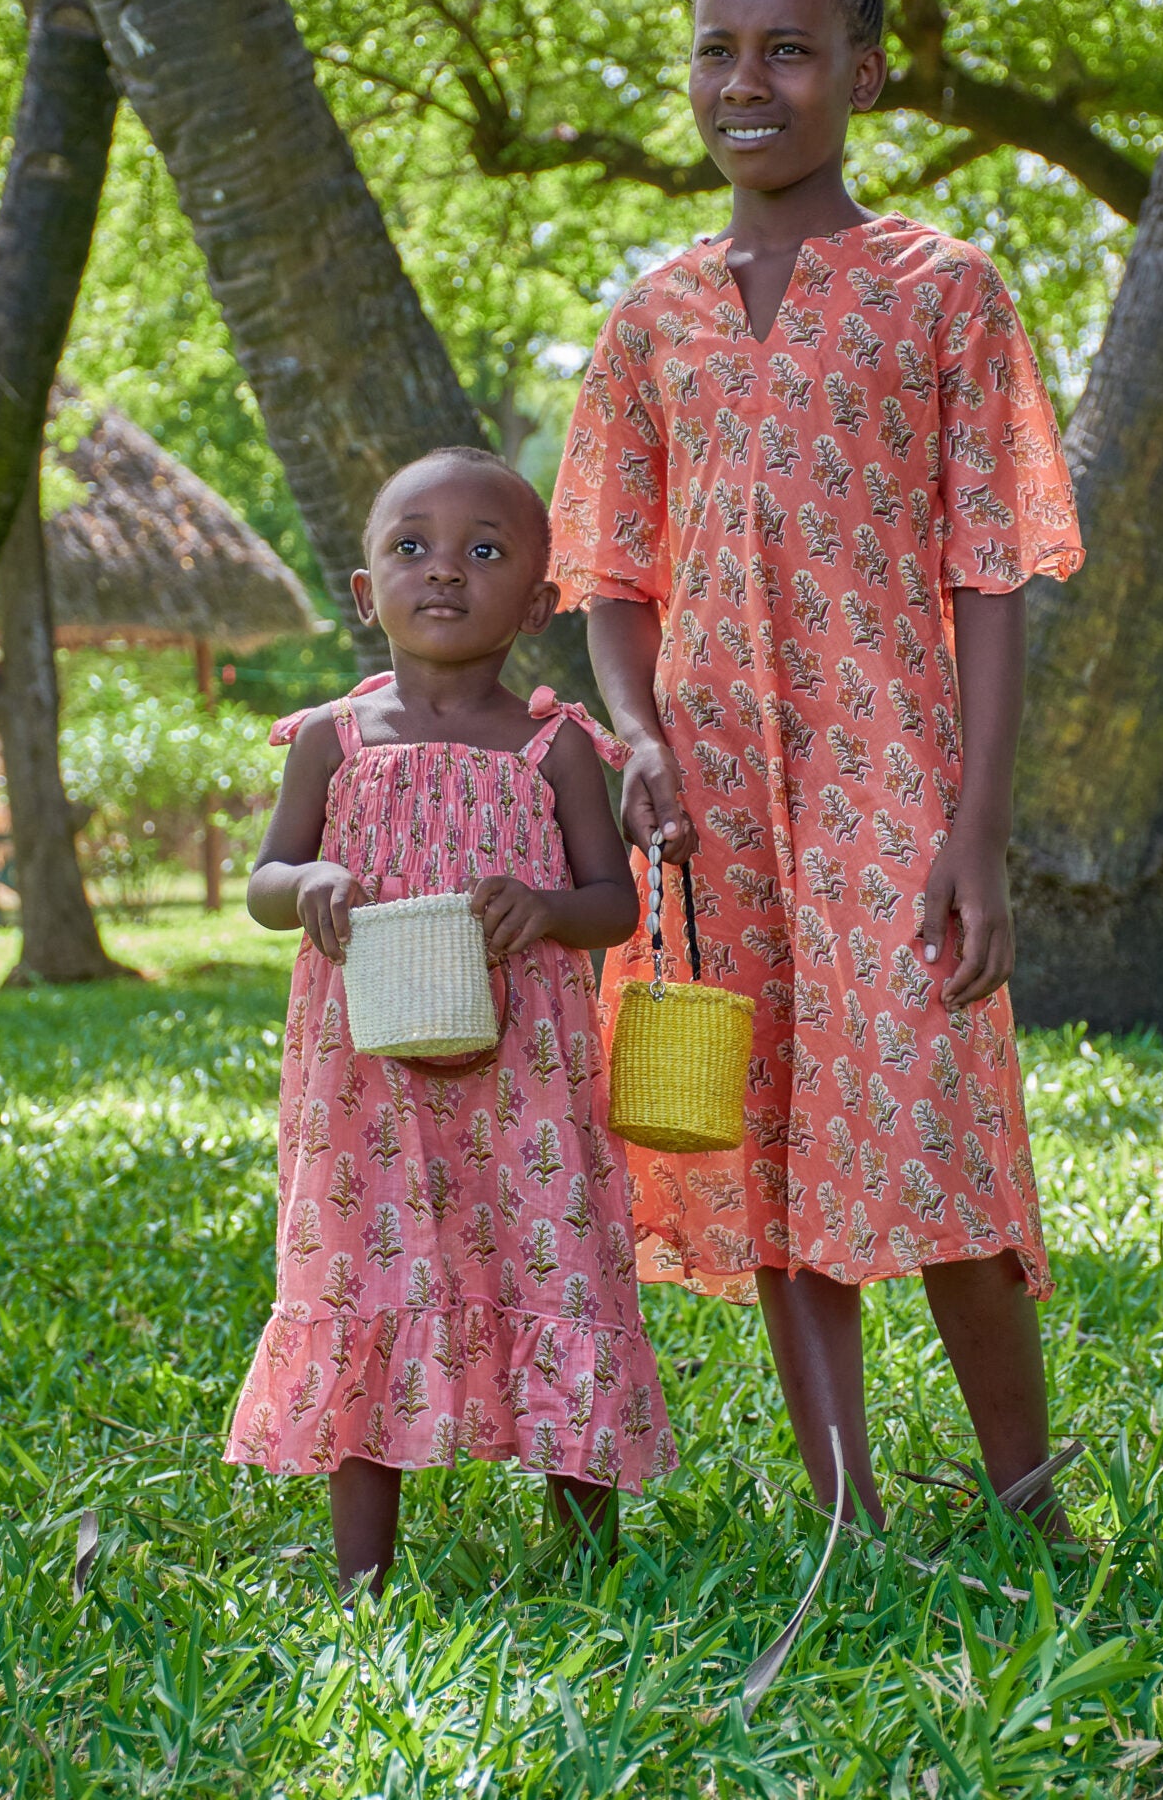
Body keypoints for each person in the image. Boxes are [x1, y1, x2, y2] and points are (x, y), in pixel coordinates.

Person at [549, 0, 1085, 1532]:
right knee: (764, 1133)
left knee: (938, 1126)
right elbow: (608, 574)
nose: (742, 87)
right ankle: (843, 1507)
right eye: (716, 52)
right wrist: (637, 737)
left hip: (893, 780)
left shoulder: (946, 291)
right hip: (708, 805)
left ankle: (1028, 1495)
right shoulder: (650, 321)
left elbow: (992, 567)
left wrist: (977, 826)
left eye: (785, 52)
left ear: (864, 74)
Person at [225, 447, 675, 1594]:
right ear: (364, 590)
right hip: (364, 1079)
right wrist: (310, 881)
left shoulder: (557, 744)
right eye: (410, 546)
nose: (444, 571)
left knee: (556, 1262)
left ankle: (585, 1561)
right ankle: (363, 1573)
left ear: (535, 601)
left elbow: (612, 902)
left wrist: (545, 908)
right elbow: (264, 880)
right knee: (366, 1275)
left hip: (526, 1076)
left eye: (484, 551)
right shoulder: (334, 736)